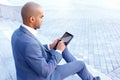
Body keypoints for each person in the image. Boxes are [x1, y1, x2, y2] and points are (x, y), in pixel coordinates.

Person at [11, 2, 100, 80]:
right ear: (32, 19)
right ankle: (86, 75)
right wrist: (58, 51)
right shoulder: (29, 44)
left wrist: (50, 46)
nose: (43, 20)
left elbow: (33, 50)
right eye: (41, 17)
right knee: (81, 64)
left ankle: (73, 67)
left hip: (30, 71)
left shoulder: (17, 33)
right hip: (44, 76)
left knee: (62, 46)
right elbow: (45, 72)